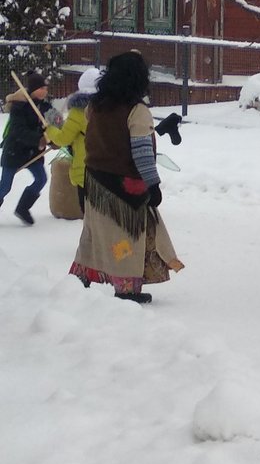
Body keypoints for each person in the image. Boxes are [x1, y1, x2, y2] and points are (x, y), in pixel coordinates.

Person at [69, 51, 183, 303]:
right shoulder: (137, 110)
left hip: (96, 180)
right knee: (126, 237)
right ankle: (126, 288)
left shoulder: (95, 105)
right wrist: (153, 185)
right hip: (124, 187)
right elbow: (142, 153)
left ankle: (81, 277)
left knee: (94, 233)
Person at [44, 66, 102, 214]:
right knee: (102, 216)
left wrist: (50, 129)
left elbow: (64, 138)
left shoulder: (78, 112)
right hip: (106, 169)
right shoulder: (108, 109)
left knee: (89, 215)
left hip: (85, 168)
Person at [0, 69, 53, 225]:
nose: (44, 91)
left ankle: (23, 208)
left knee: (41, 179)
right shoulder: (20, 107)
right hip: (14, 151)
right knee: (5, 186)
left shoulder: (46, 107)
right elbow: (18, 131)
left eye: (45, 88)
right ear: (33, 89)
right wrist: (39, 139)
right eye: (41, 88)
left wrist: (56, 138)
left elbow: (57, 124)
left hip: (32, 153)